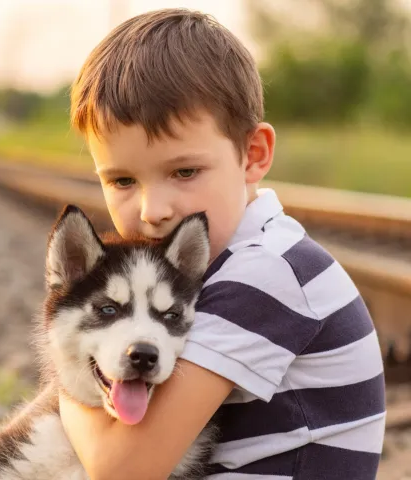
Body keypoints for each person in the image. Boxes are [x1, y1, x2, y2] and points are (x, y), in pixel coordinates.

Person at [59, 8, 386, 480]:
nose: (153, 209)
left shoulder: (263, 276)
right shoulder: (241, 257)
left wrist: (65, 390)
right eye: (123, 180)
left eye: (184, 172)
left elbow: (121, 468)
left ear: (253, 156)